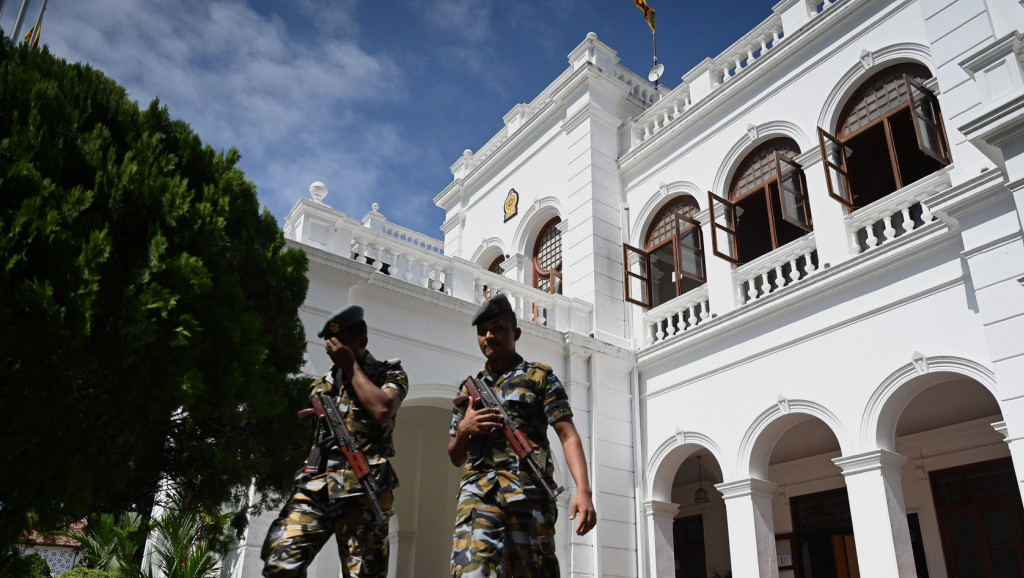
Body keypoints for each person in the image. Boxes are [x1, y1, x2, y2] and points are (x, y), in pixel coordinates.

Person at [448, 293, 596, 577]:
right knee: (472, 571)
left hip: (528, 493)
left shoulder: (539, 377)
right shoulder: (468, 391)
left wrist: (584, 490)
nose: (488, 336)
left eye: (497, 329)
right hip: (478, 494)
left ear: (515, 333)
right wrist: (465, 430)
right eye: (482, 332)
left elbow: (567, 435)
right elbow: (454, 455)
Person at [262, 305, 408, 578]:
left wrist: (350, 366)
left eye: (341, 344)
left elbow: (382, 409)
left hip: (363, 487)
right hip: (316, 486)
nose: (332, 350)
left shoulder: (389, 373)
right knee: (280, 559)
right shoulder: (321, 386)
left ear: (361, 341)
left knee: (363, 574)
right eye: (330, 344)